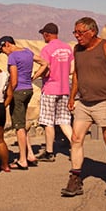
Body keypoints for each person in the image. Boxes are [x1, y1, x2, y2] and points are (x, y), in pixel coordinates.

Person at [63, 18, 106, 197]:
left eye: (80, 33)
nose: (77, 36)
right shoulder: (77, 49)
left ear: (92, 32)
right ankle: (75, 178)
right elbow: (77, 74)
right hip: (84, 102)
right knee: (76, 138)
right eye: (75, 32)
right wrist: (72, 96)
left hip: (105, 101)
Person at [32, 23, 74, 162]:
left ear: (46, 34)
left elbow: (46, 69)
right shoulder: (68, 48)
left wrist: (35, 76)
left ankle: (49, 152)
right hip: (65, 88)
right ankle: (76, 145)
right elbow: (72, 69)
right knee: (64, 121)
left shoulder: (47, 49)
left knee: (48, 121)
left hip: (50, 88)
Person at [0, 36, 37, 170]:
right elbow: (44, 63)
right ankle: (30, 154)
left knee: (18, 126)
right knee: (22, 123)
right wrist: (35, 76)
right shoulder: (27, 52)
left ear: (7, 44)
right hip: (29, 90)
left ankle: (22, 160)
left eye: (2, 49)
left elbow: (14, 81)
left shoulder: (12, 57)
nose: (4, 53)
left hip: (18, 92)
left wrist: (7, 95)